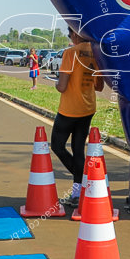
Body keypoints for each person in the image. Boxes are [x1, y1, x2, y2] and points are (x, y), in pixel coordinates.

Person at [52, 28, 104, 205]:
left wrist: (56, 84)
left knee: (57, 146)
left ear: (75, 34)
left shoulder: (70, 53)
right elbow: (99, 87)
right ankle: (77, 194)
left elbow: (62, 86)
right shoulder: (96, 52)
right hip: (88, 108)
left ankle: (82, 180)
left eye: (69, 36)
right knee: (78, 149)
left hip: (69, 109)